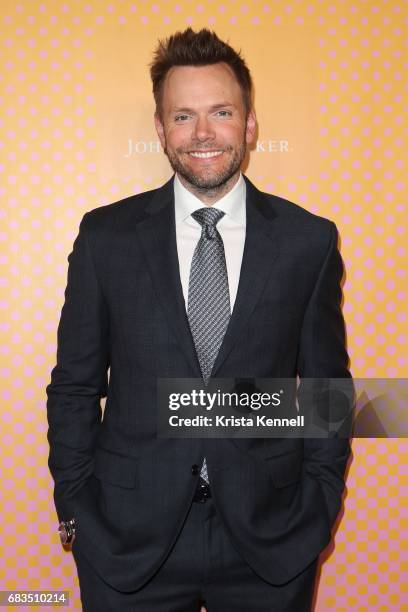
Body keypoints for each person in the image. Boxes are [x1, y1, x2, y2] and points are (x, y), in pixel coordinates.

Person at [46, 28, 352, 611]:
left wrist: (319, 505)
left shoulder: (307, 241)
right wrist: (78, 505)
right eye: (183, 116)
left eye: (221, 112)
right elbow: (75, 388)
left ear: (250, 124)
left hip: (270, 543)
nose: (203, 133)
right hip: (126, 542)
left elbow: (325, 391)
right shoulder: (105, 238)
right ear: (161, 130)